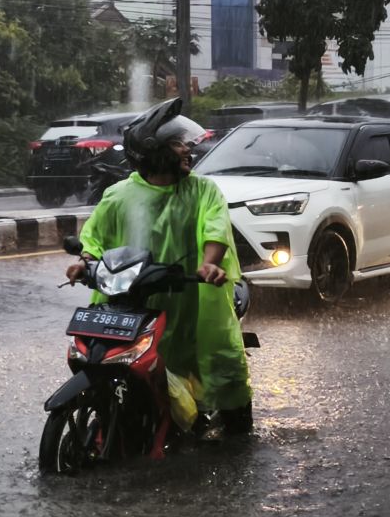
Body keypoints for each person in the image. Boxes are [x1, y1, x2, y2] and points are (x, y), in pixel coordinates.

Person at [63, 97, 254, 435]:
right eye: (179, 143)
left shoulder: (204, 191)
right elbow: (95, 236)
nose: (188, 149)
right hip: (136, 298)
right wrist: (85, 262)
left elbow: (215, 230)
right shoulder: (119, 195)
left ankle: (238, 440)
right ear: (156, 152)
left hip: (191, 298)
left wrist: (209, 265)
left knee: (221, 368)